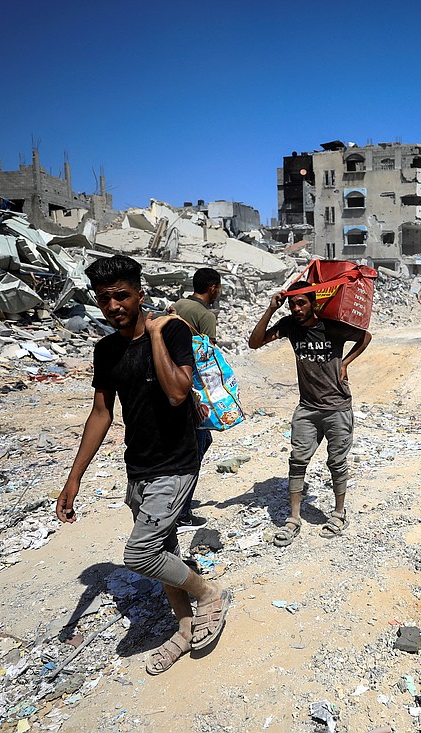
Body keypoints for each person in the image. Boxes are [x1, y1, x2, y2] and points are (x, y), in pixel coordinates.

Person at [57, 255, 231, 676]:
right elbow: (101, 414)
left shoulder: (171, 330)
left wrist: (154, 335)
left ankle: (209, 593)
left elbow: (177, 392)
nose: (114, 305)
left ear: (139, 294)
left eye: (121, 295)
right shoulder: (106, 350)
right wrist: (73, 478)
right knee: (164, 549)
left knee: (140, 553)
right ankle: (186, 628)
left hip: (176, 462)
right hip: (139, 467)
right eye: (104, 299)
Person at [248, 281, 372, 546]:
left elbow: (365, 337)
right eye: (293, 303)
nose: (296, 308)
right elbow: (254, 343)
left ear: (313, 303)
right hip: (307, 408)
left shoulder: (331, 326)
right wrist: (271, 309)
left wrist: (345, 363)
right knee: (297, 460)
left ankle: (339, 512)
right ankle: (293, 519)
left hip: (337, 407)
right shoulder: (289, 326)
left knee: (336, 463)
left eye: (301, 302)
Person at [169, 267, 222, 532]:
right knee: (196, 450)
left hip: (172, 383)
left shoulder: (177, 306)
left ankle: (177, 503)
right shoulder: (206, 316)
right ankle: (182, 512)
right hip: (194, 392)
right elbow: (207, 362)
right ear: (212, 287)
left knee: (199, 443)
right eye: (219, 288)